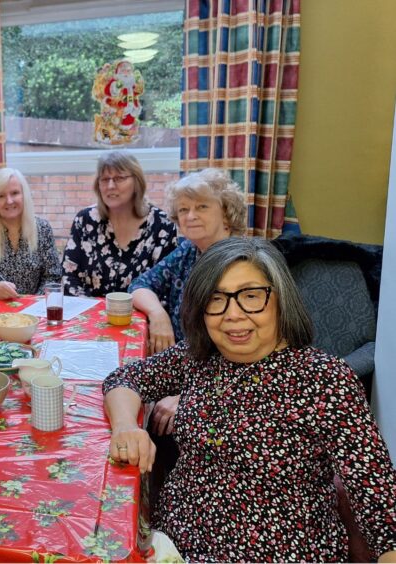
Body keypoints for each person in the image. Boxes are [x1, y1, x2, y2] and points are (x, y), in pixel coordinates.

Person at [103, 237, 396, 562]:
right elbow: (125, 379)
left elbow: (376, 490)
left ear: (280, 299)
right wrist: (126, 426)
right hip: (174, 544)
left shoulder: (325, 378)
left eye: (251, 296)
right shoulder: (199, 357)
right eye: (216, 299)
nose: (233, 315)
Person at [130, 168, 246, 437]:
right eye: (183, 209)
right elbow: (139, 286)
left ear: (226, 212)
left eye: (201, 207)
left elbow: (243, 356)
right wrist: (157, 313)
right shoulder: (189, 251)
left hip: (222, 389)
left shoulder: (241, 265)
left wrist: (186, 396)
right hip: (181, 369)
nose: (190, 216)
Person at [62, 151, 177, 297]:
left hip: (142, 315)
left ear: (137, 182)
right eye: (104, 179)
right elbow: (68, 278)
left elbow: (167, 286)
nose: (110, 186)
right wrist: (94, 313)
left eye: (119, 178)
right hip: (90, 315)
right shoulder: (85, 220)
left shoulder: (162, 224)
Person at [0, 167, 62, 299]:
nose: (9, 201)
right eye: (1, 196)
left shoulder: (43, 228)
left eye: (15, 193)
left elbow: (52, 276)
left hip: (32, 308)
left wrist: (34, 302)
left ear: (24, 195)